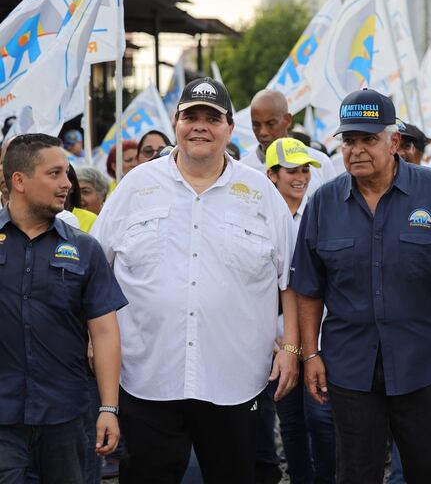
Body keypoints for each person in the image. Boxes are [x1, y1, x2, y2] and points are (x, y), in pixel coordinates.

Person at [91, 77, 299, 483]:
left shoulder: (260, 193)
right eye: (191, 116)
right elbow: (97, 272)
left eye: (212, 117)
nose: (200, 126)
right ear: (176, 122)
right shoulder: (135, 187)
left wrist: (290, 346)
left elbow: (290, 278)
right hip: (146, 377)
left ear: (229, 128)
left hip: (236, 381)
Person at [291, 88, 431, 483]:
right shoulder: (323, 203)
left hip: (423, 363)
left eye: (368, 139)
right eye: (349, 141)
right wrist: (310, 355)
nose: (357, 150)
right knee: (357, 472)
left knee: (429, 469)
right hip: (350, 367)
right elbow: (308, 288)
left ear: (394, 142)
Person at [0, 133, 126, 482]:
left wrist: (108, 408)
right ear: (20, 181)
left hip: (66, 418)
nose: (66, 184)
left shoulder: (86, 249)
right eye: (54, 174)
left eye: (67, 174)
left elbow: (104, 333)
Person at [265, 137, 337, 484]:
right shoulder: (259, 217)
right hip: (274, 340)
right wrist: (271, 334)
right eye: (292, 170)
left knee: (323, 421)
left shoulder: (321, 211)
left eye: (305, 170)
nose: (301, 177)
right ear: (271, 175)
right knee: (291, 422)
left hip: (320, 336)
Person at [243, 89, 335, 195]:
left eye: (271, 123)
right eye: (256, 125)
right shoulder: (243, 170)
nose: (262, 132)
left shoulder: (320, 162)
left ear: (287, 120)